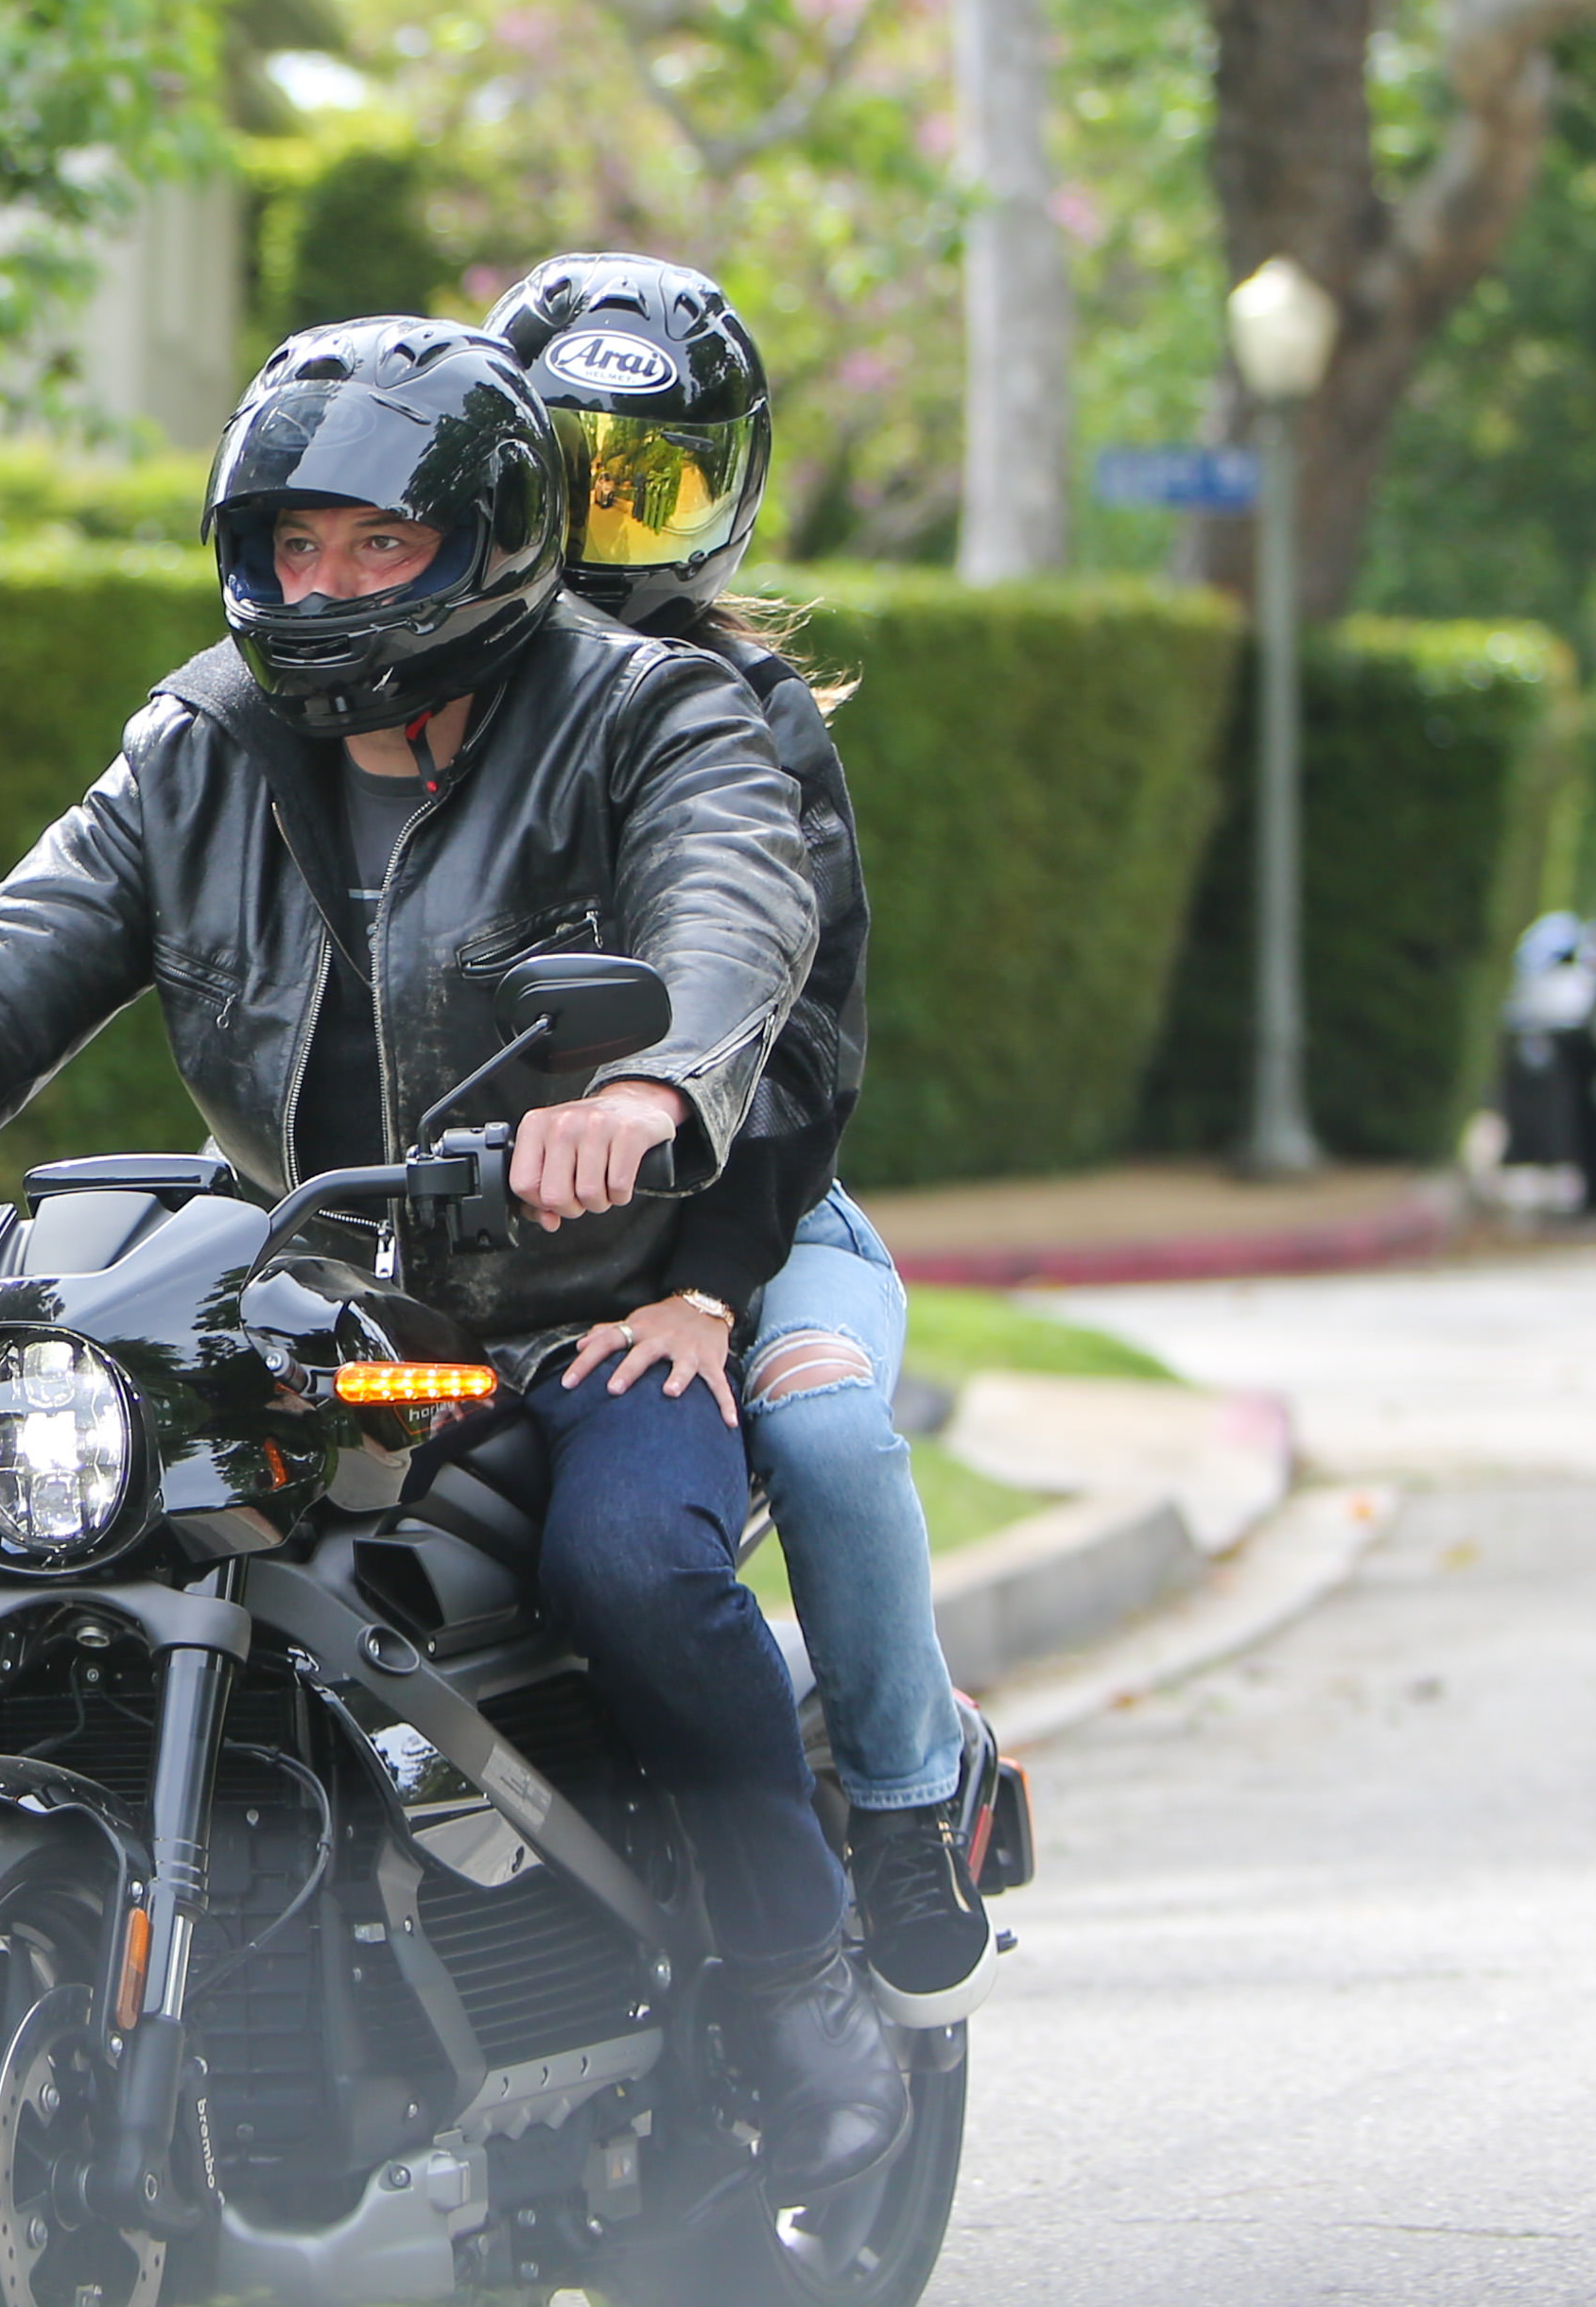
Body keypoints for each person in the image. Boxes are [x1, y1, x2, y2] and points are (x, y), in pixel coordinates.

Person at [0, 315, 908, 2194]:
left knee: (633, 1559)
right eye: (291, 543)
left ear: (489, 542)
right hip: (316, 1286)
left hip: (582, 1307)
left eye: (377, 543)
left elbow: (730, 895)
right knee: (98, 1511)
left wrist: (662, 1081)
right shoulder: (205, 735)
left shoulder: (642, 707)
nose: (322, 583)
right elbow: (26, 936)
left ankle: (787, 1971)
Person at [490, 254, 998, 2026]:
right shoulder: (441, 706)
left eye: (661, 482)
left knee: (833, 1435)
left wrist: (709, 1288)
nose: (620, 531)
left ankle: (911, 1801)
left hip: (769, 1219)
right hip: (540, 1234)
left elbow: (801, 1046)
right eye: (580, 479)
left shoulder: (753, 718)